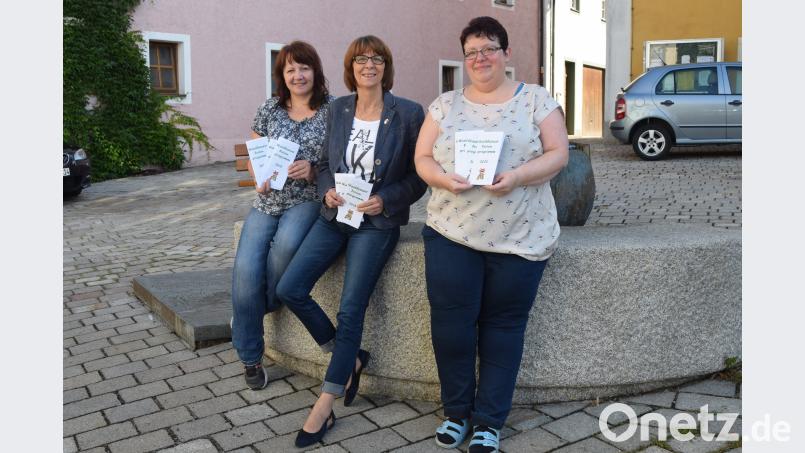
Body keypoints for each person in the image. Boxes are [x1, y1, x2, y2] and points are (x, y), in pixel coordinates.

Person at [414, 16, 569, 453]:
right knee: (452, 327)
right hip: (452, 233)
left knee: (503, 329)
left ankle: (488, 421)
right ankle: (456, 412)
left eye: (489, 49)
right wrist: (442, 179)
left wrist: (517, 176)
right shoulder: (444, 105)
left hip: (520, 236)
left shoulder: (536, 99)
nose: (480, 58)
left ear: (505, 53)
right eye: (471, 52)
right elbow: (422, 157)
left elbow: (559, 153)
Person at [275, 35, 426, 448]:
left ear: (386, 66)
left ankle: (325, 404)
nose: (369, 65)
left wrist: (387, 199)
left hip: (375, 224)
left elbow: (418, 177)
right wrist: (326, 190)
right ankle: (351, 357)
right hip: (336, 216)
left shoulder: (408, 113)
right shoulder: (339, 108)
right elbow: (325, 163)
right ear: (351, 67)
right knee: (289, 287)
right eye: (361, 59)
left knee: (350, 310)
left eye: (377, 58)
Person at [231, 41, 332, 391]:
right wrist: (257, 175)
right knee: (246, 267)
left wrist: (314, 170)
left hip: (307, 199)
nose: (298, 75)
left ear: (315, 71)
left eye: (304, 68)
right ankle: (250, 356)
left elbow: (338, 161)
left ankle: (253, 309)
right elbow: (253, 155)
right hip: (267, 199)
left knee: (286, 245)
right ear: (282, 75)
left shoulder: (332, 110)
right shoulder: (269, 109)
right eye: (290, 69)